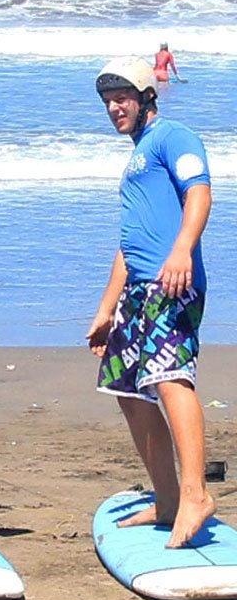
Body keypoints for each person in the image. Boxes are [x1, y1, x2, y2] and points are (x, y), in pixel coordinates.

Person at [87, 56, 214, 548]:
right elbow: (129, 241)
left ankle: (195, 494)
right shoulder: (138, 153)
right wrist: (105, 307)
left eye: (122, 98)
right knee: (126, 390)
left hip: (172, 284)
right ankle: (165, 500)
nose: (114, 108)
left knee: (168, 379)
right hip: (137, 291)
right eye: (107, 101)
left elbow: (200, 193)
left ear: (146, 98)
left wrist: (182, 249)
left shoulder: (172, 137)